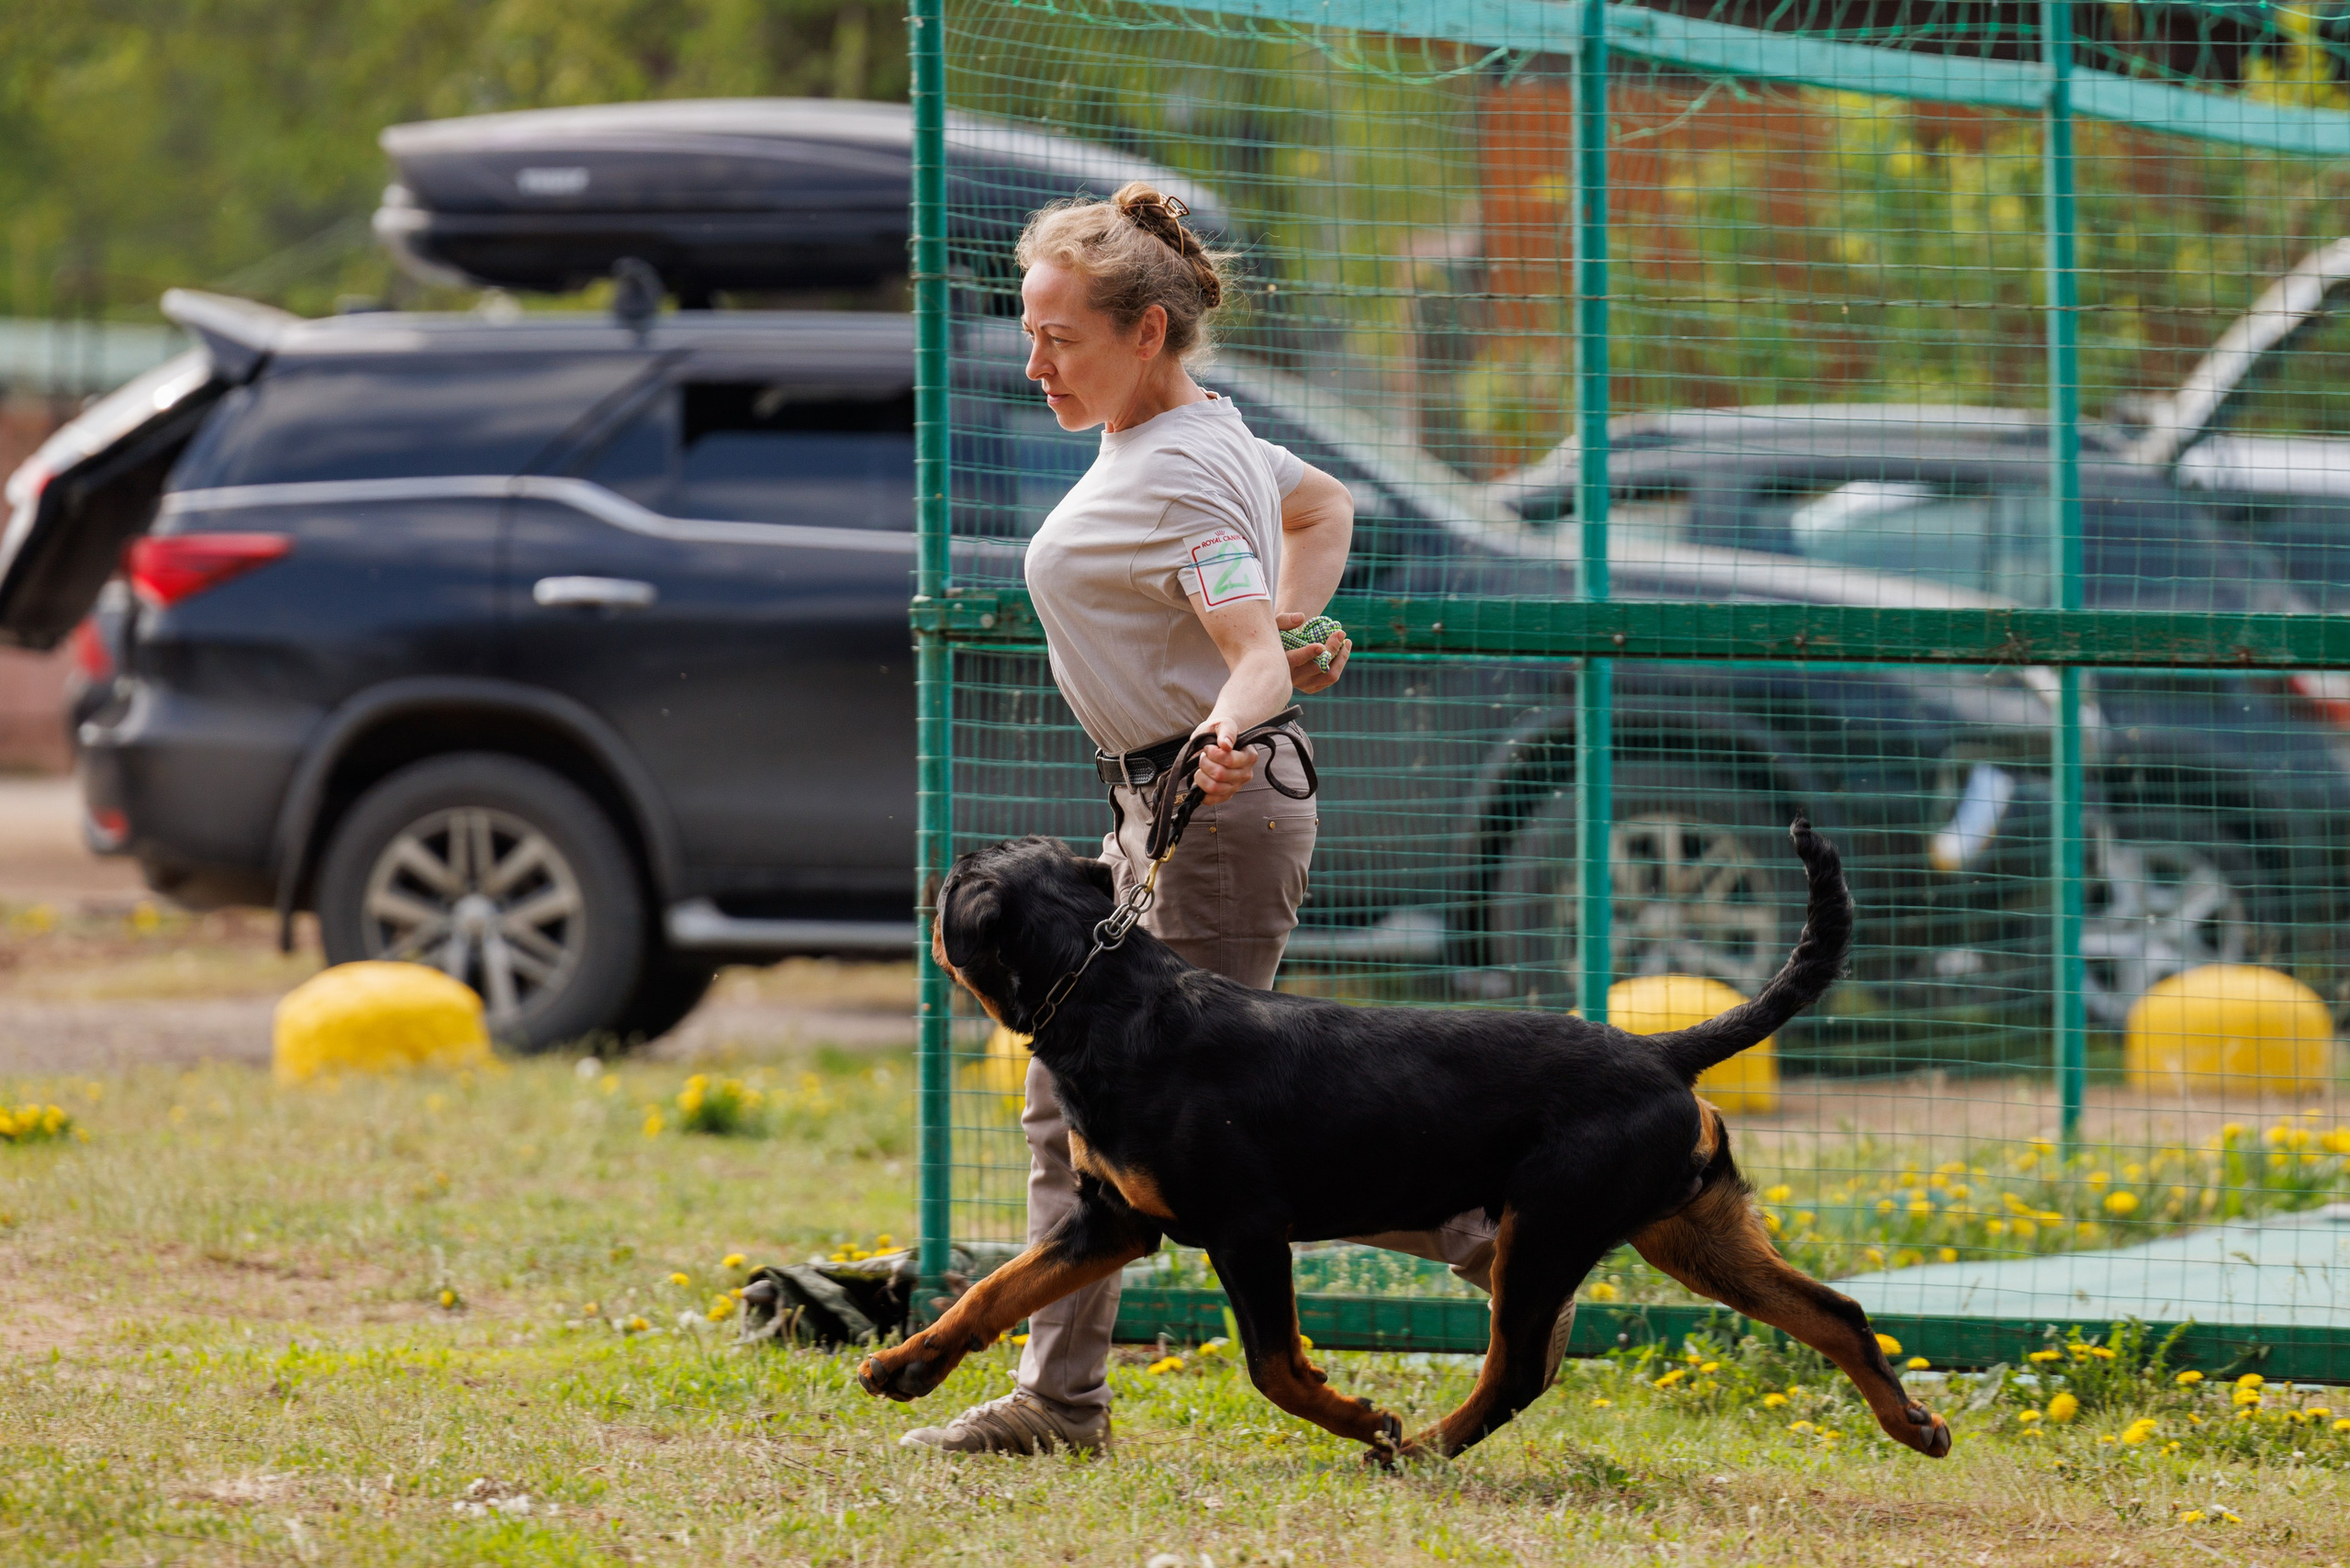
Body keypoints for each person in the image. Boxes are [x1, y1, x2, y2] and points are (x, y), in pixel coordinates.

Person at [903, 183, 1504, 1456]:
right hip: (1172, 802)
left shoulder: (1178, 468)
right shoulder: (1195, 431)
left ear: (1147, 332)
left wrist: (1231, 719)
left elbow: (1251, 658)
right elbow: (1324, 508)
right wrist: (1287, 629)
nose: (1036, 365)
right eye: (1031, 333)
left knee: (1190, 1126)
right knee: (1128, 1115)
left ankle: (1482, 1238)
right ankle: (1479, 1237)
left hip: (1209, 813)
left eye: (1060, 339)